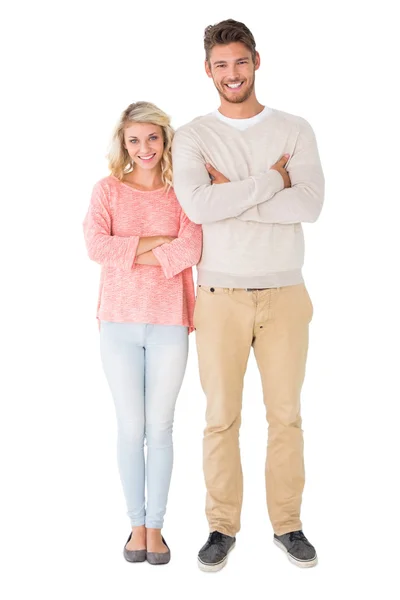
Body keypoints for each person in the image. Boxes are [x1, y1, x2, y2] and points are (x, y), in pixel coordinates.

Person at [172, 19, 324, 571]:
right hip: (220, 295)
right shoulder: (191, 135)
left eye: (240, 62)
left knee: (286, 415)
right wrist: (272, 182)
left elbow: (309, 205)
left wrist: (231, 195)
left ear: (256, 61)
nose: (231, 74)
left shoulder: (294, 129)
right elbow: (198, 208)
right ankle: (221, 528)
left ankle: (289, 525)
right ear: (207, 70)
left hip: (285, 291)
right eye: (220, 65)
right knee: (220, 417)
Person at [83, 101, 202, 565]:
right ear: (123, 144)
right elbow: (96, 246)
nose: (144, 147)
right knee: (131, 427)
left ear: (165, 139)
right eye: (134, 139)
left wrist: (128, 249)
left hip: (171, 321)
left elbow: (191, 248)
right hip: (117, 323)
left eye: (152, 137)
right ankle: (135, 528)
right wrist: (156, 243)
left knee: (161, 427)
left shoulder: (182, 194)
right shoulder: (107, 190)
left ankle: (157, 528)